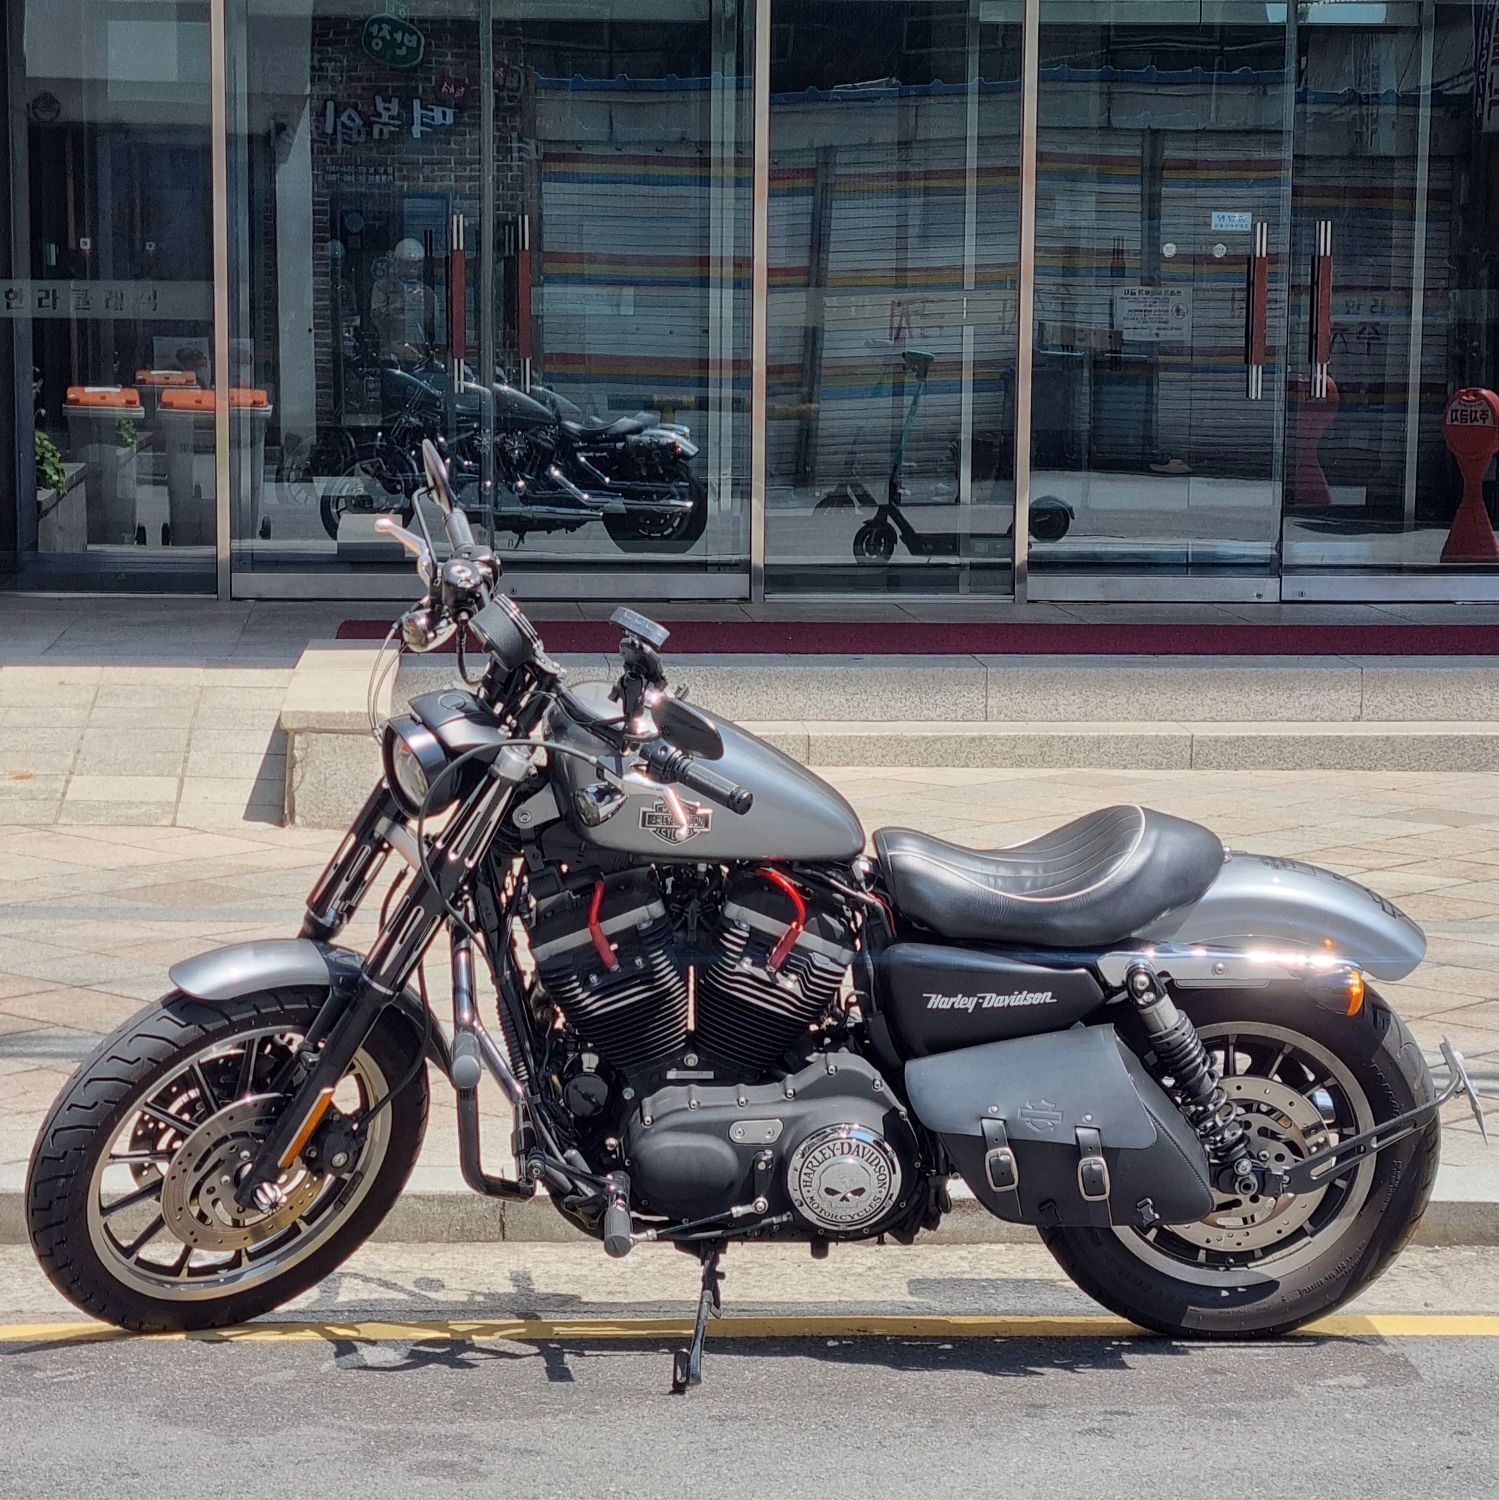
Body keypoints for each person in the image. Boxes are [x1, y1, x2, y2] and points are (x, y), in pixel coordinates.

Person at [369, 238, 435, 363]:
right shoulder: (382, 287)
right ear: (397, 263)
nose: (413, 269)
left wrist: (421, 308)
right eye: (408, 264)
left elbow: (433, 325)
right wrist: (401, 304)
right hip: (390, 353)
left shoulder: (426, 292)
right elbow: (376, 318)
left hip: (419, 352)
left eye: (417, 264)